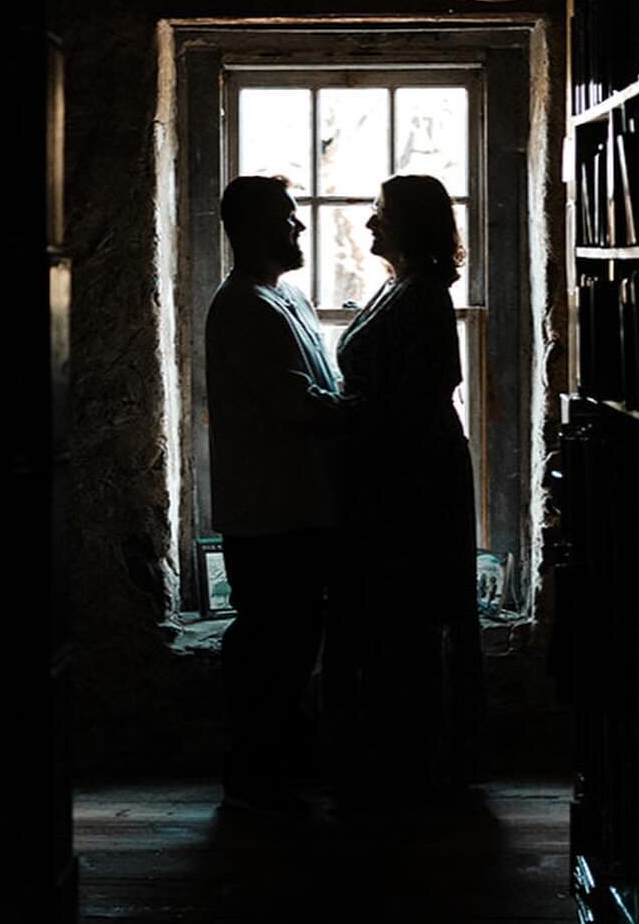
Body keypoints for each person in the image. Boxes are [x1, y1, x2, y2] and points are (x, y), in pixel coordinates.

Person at [329, 173, 483, 805]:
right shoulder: (398, 288)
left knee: (410, 610)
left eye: (380, 213)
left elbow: (425, 389)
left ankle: (413, 764)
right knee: (396, 613)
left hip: (413, 477)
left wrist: (346, 414)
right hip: (395, 470)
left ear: (411, 225)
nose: (369, 224)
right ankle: (399, 756)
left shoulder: (422, 296)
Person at [205, 175, 341, 814]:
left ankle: (277, 759)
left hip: (301, 503)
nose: (301, 227)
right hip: (267, 508)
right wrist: (369, 413)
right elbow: (297, 403)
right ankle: (252, 768)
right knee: (268, 637)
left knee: (293, 636)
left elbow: (322, 385)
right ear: (256, 228)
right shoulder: (243, 308)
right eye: (289, 218)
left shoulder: (289, 300)